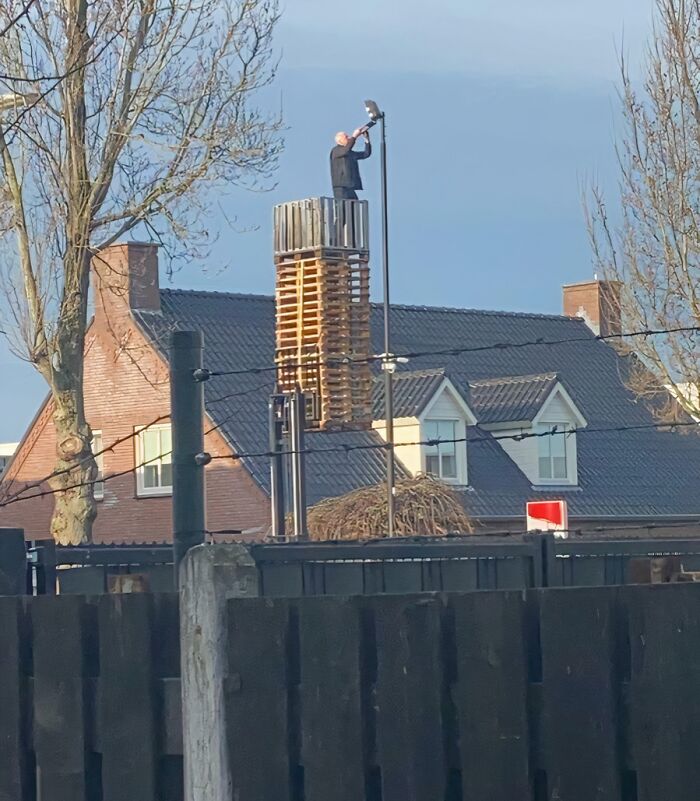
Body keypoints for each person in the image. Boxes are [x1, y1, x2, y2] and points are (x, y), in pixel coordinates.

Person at [330, 128, 372, 200]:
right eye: (346, 137)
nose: (349, 138)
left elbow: (366, 154)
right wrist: (354, 136)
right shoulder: (336, 151)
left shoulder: (349, 153)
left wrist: (367, 140)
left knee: (354, 205)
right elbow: (346, 150)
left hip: (350, 187)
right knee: (344, 208)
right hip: (340, 187)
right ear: (340, 141)